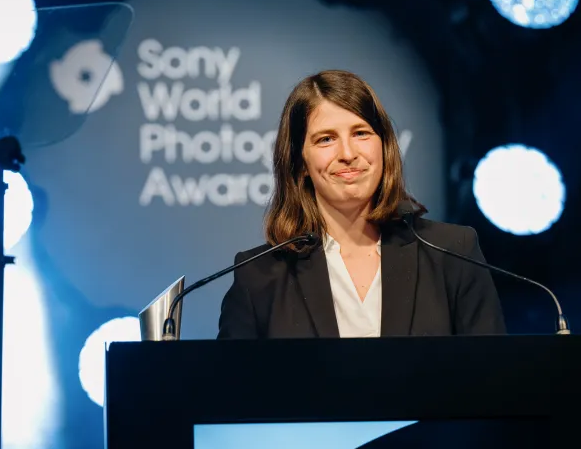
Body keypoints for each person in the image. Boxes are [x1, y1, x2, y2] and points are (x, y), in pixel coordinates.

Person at [217, 70, 506, 339]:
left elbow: (493, 372)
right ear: (300, 163)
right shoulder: (259, 276)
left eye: (361, 133)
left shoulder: (452, 253)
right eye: (326, 139)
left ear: (384, 147)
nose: (347, 153)